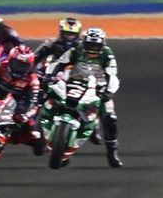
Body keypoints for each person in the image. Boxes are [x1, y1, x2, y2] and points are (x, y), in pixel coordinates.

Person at [49, 27, 123, 167]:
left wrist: (108, 92)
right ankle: (50, 138)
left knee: (110, 118)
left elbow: (112, 75)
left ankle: (112, 151)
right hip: (74, 83)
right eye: (90, 45)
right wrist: (49, 76)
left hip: (97, 88)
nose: (92, 49)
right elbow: (59, 63)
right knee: (51, 99)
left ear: (102, 44)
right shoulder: (76, 49)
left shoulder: (107, 54)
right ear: (84, 43)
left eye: (96, 46)